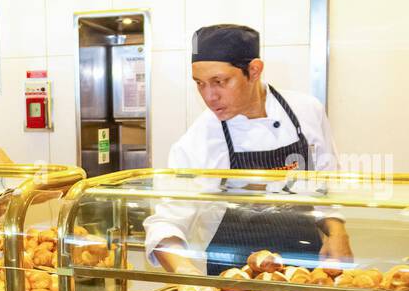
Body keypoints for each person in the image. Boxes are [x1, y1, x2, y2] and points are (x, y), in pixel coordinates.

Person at [143, 24, 351, 274]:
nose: (209, 96)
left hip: (306, 271)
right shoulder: (197, 141)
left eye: (219, 82)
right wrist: (187, 275)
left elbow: (326, 185)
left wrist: (337, 233)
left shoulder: (307, 111)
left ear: (254, 70)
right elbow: (166, 224)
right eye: (200, 83)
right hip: (232, 279)